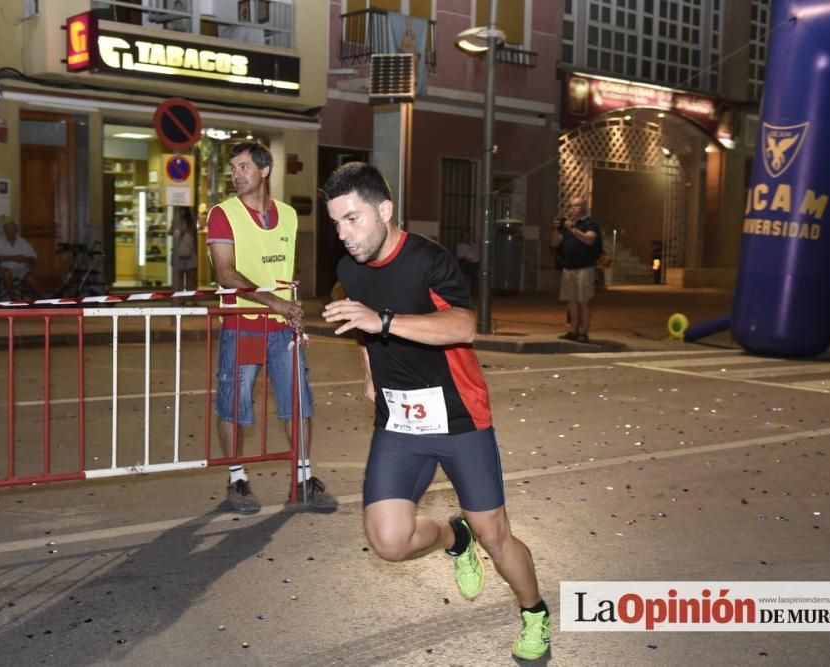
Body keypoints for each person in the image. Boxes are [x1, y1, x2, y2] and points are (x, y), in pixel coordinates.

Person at [320, 162, 551, 661]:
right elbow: (360, 325)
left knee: (497, 536)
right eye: (336, 222)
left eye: (353, 219)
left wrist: (381, 321)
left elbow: (461, 327)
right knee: (389, 541)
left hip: (459, 417)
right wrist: (367, 369)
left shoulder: (429, 260)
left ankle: (534, 612)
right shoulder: (348, 269)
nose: (343, 234)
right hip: (399, 423)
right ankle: (452, 536)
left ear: (385, 210)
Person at [206, 141, 337, 514]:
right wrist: (276, 302)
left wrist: (292, 308)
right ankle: (237, 480)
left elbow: (283, 273)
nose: (236, 174)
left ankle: (303, 479)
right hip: (242, 324)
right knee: (234, 406)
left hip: (281, 330)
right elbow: (226, 273)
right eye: (233, 168)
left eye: (244, 167)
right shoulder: (222, 214)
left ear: (264, 170)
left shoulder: (290, 216)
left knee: (299, 404)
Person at [550, 196, 601, 342]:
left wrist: (572, 228)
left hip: (584, 268)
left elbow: (590, 239)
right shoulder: (566, 226)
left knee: (583, 301)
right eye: (572, 206)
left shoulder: (590, 223)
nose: (574, 209)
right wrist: (555, 229)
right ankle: (573, 330)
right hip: (568, 268)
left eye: (577, 206)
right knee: (571, 301)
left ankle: (583, 332)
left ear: (584, 207)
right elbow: (554, 243)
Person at [0, 219, 41, 299]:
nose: (10, 231)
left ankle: (41, 299)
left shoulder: (23, 242)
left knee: (30, 276)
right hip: (3, 268)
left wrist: (25, 259)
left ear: (16, 230)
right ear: (4, 230)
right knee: (7, 273)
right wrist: (13, 258)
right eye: (8, 229)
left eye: (12, 229)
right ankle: (13, 299)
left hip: (20, 268)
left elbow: (33, 258)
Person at [170, 206, 198, 295]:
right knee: (179, 276)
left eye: (182, 210)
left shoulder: (190, 221)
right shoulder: (175, 220)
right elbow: (170, 231)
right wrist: (174, 231)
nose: (180, 212)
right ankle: (181, 297)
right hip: (179, 250)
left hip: (188, 250)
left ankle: (191, 297)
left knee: (190, 276)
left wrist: (182, 232)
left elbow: (192, 232)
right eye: (179, 210)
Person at [455, 231, 480, 296]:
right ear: (462, 238)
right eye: (465, 236)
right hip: (468, 264)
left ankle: (480, 290)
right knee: (475, 271)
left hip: (477, 262)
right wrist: (468, 259)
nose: (467, 238)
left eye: (468, 236)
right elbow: (460, 258)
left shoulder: (473, 244)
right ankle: (474, 291)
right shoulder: (461, 246)